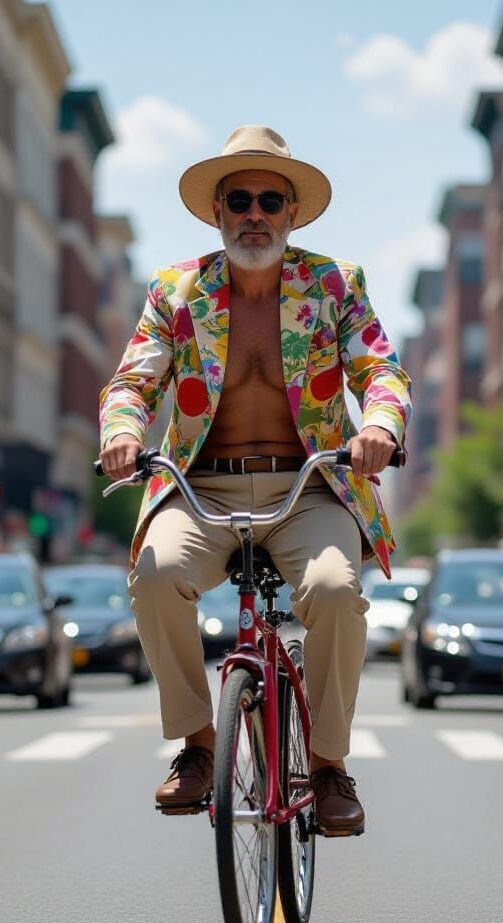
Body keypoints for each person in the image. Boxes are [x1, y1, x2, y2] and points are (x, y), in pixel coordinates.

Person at [98, 126, 412, 836]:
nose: (255, 214)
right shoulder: (176, 290)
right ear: (216, 211)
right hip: (199, 486)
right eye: (239, 199)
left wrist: (381, 428)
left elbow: (380, 369)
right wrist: (122, 432)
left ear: (293, 213)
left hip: (309, 489)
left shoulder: (334, 284)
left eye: (271, 199)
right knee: (152, 576)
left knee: (335, 591)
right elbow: (132, 381)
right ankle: (197, 747)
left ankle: (329, 766)